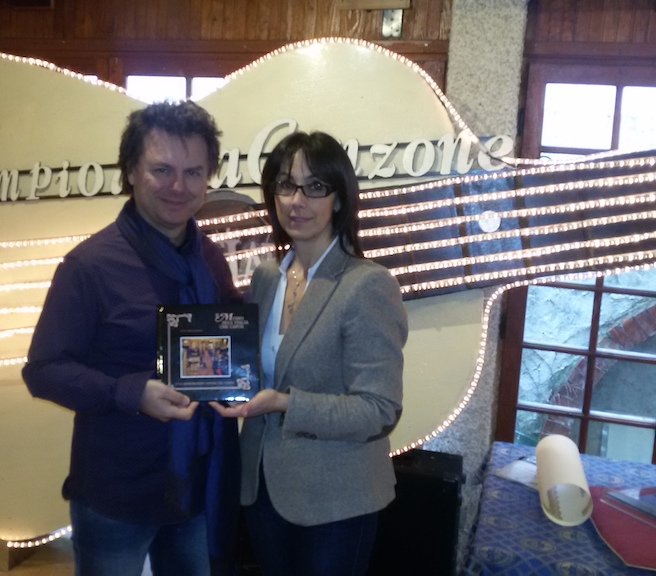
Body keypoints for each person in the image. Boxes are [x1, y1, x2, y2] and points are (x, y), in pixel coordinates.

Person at [22, 100, 241, 576]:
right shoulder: (89, 266)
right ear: (131, 172)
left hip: (198, 486)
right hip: (118, 493)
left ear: (208, 178)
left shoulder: (211, 259)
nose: (178, 186)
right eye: (162, 170)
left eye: (193, 172)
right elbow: (42, 371)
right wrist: (131, 392)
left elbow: (223, 345)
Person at [211, 131, 408, 576]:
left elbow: (378, 410)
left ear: (338, 200)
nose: (297, 201)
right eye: (286, 184)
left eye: (315, 186)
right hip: (263, 488)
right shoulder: (266, 278)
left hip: (336, 499)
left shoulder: (367, 284)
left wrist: (285, 404)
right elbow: (253, 371)